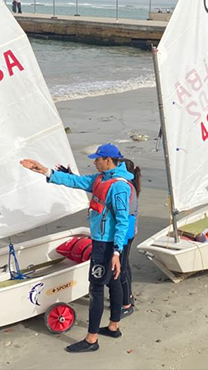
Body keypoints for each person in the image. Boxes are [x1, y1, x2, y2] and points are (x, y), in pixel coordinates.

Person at [19, 143, 133, 353]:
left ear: (108, 160)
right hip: (102, 241)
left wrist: (117, 251)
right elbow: (75, 181)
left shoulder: (119, 186)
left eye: (97, 159)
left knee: (96, 288)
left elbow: (123, 221)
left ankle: (91, 340)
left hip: (106, 244)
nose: (94, 162)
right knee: (113, 282)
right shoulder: (101, 178)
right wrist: (45, 171)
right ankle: (113, 327)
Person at [118, 159, 141, 319]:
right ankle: (129, 296)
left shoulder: (127, 188)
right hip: (130, 230)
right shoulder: (131, 185)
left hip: (125, 232)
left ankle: (127, 303)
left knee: (121, 267)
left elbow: (123, 214)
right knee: (124, 264)